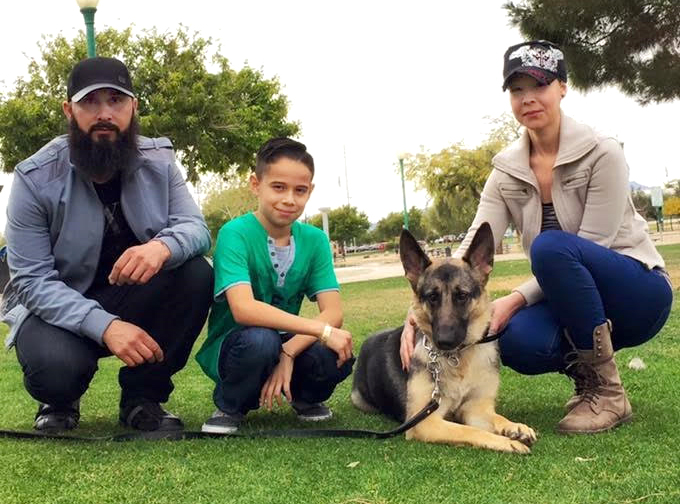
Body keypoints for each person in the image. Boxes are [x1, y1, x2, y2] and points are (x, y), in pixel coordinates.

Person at [400, 40, 673, 434]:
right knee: (514, 338)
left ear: (563, 86)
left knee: (549, 247)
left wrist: (515, 297)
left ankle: (610, 392)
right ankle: (589, 382)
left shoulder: (603, 153)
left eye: (540, 85)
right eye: (517, 89)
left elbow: (591, 245)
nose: (528, 98)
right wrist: (421, 302)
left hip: (638, 291)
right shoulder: (506, 171)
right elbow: (466, 252)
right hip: (574, 298)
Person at [1, 57, 213, 432]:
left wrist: (161, 247)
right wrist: (106, 326)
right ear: (69, 110)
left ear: (133, 107)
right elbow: (31, 282)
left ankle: (142, 399)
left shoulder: (160, 162)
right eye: (90, 102)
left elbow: (196, 229)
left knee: (196, 273)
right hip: (59, 308)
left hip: (133, 296)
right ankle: (60, 401)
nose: (104, 114)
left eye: (116, 100)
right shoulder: (33, 178)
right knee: (55, 371)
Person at [197, 137, 354, 434]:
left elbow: (333, 312)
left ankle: (306, 399)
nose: (289, 199)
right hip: (238, 346)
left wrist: (290, 351)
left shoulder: (315, 240)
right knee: (262, 341)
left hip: (283, 342)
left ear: (310, 191)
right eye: (278, 187)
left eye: (300, 190)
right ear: (256, 185)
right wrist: (320, 330)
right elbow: (243, 309)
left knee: (334, 352)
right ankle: (231, 405)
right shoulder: (234, 234)